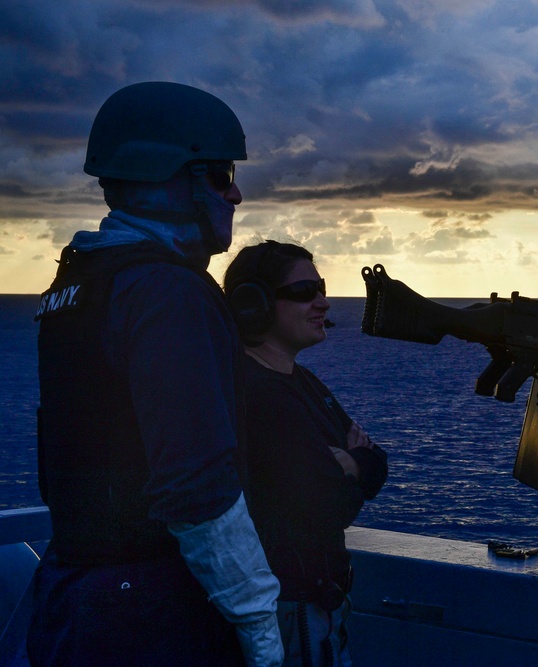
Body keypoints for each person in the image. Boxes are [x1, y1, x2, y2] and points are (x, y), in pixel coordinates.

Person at [29, 82, 283, 666]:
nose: (236, 194)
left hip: (75, 594)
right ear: (175, 180)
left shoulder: (83, 281)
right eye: (220, 176)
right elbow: (196, 486)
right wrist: (259, 625)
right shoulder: (167, 292)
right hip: (148, 611)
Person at [223, 240, 388, 667]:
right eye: (304, 291)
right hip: (289, 613)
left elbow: (376, 462)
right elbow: (329, 503)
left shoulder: (301, 381)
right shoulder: (257, 393)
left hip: (316, 610)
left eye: (322, 287)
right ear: (254, 305)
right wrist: (350, 466)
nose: (323, 302)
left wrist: (353, 464)